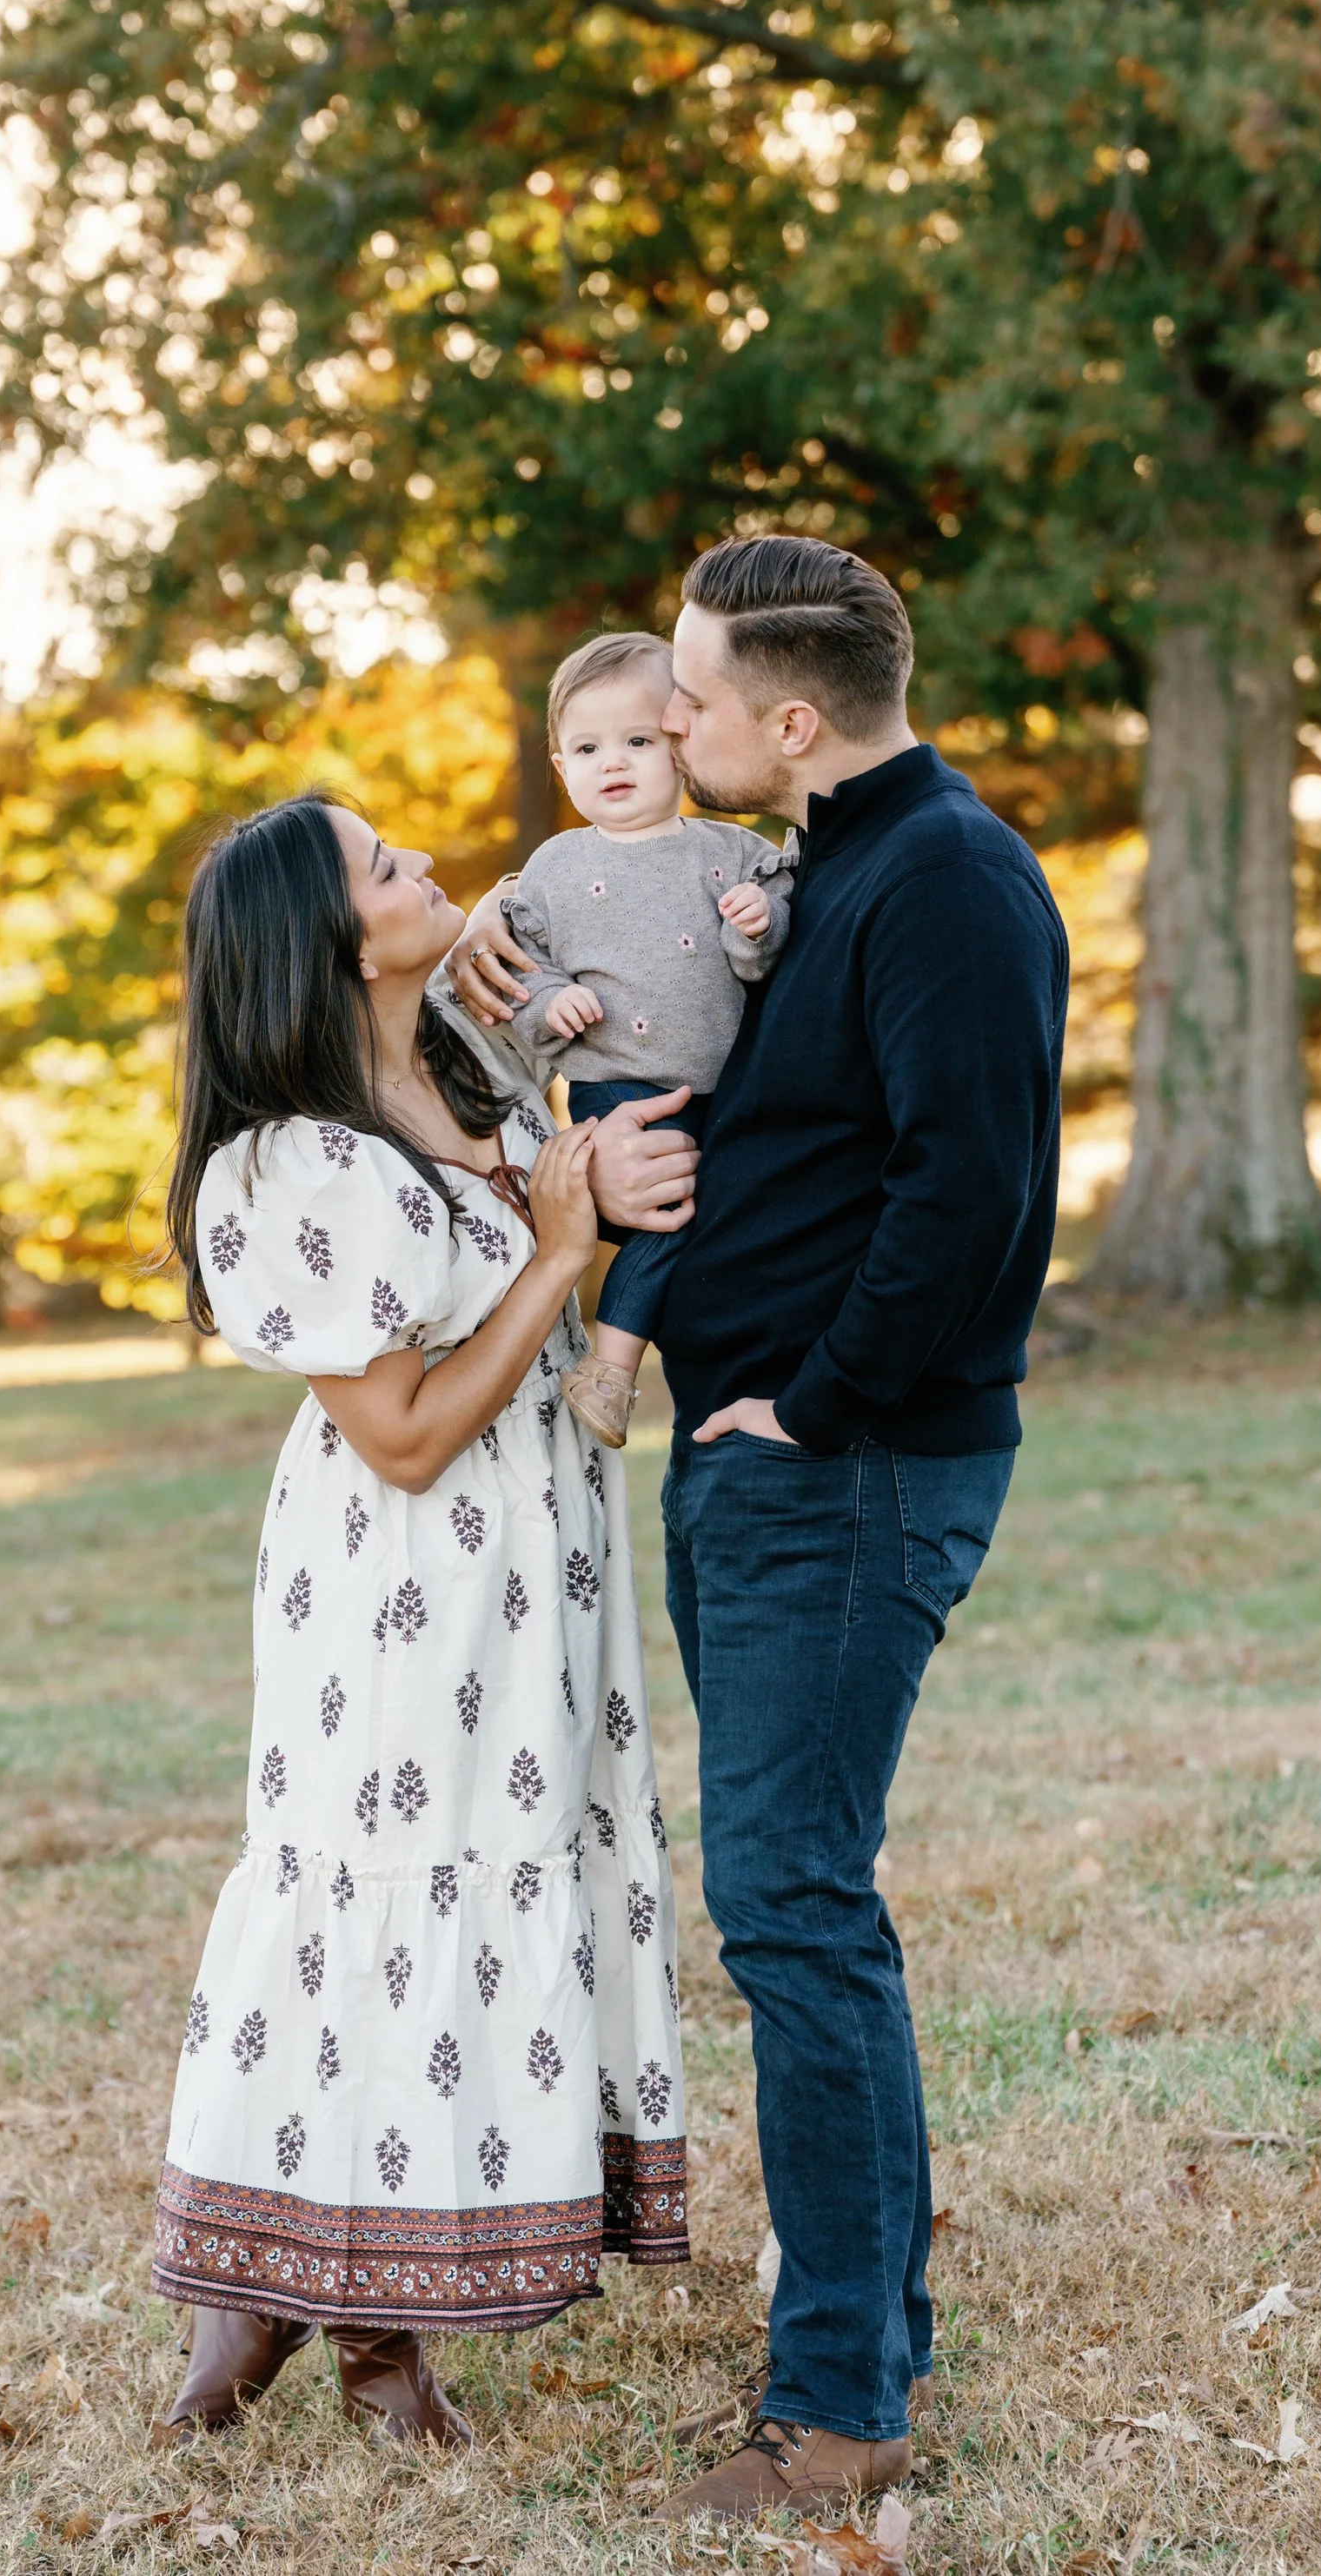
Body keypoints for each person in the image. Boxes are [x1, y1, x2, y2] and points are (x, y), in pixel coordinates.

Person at [452, 536, 1066, 2525]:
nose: (673, 730)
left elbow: (970, 1189)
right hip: (763, 1454)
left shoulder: (948, 877)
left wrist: (806, 1396)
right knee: (809, 1901)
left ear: (789, 717)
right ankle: (875, 2320)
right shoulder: (815, 872)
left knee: (793, 1906)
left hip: (842, 1457)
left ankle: (836, 2410)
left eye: (698, 700)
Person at [148, 794, 687, 2454]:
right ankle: (363, 2329)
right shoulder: (292, 1162)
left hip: (534, 1558)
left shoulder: (464, 1065)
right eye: (386, 869)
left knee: (495, 1863)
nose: (424, 871)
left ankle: (279, 2305)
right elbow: (396, 1434)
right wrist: (556, 1252)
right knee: (389, 1891)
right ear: (326, 940)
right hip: (403, 1582)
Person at [497, 627, 793, 1448]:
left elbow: (765, 953)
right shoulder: (552, 867)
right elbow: (521, 964)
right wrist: (549, 1001)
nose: (613, 763)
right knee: (671, 1218)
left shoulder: (730, 850)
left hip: (723, 1085)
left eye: (636, 741)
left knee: (711, 1223)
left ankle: (685, 1364)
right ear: (561, 767)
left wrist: (755, 925)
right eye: (588, 748)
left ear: (679, 744)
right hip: (619, 1086)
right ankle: (615, 1367)